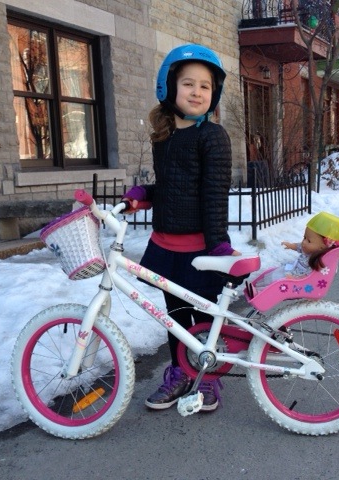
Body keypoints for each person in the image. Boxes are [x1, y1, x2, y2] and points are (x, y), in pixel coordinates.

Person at [121, 44, 237, 412]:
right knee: (174, 318)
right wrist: (145, 195)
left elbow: (213, 195)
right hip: (166, 246)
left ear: (213, 93)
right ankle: (179, 371)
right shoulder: (165, 136)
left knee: (203, 319)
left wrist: (218, 246)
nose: (197, 92)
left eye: (205, 86)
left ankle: (208, 379)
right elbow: (173, 186)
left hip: (200, 248)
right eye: (189, 83)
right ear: (169, 87)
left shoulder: (212, 137)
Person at [254, 212, 339, 289]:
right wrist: (291, 245)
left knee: (277, 284)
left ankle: (259, 292)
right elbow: (299, 246)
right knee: (274, 275)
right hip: (292, 272)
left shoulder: (319, 261)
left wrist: (295, 279)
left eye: (309, 241)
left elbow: (310, 276)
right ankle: (258, 289)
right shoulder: (309, 250)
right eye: (304, 238)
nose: (304, 242)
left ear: (322, 247)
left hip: (298, 281)